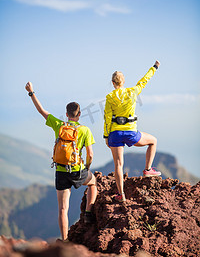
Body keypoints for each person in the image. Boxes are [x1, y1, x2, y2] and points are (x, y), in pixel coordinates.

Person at [25, 82, 97, 241]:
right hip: (77, 170)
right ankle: (88, 213)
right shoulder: (84, 130)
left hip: (61, 171)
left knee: (63, 209)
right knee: (94, 183)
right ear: (79, 115)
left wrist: (31, 92)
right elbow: (90, 154)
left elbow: (41, 110)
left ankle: (64, 241)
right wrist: (87, 167)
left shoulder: (59, 125)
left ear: (66, 114)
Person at [103, 61, 161, 203]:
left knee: (118, 164)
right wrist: (154, 68)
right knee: (153, 141)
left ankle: (121, 194)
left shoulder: (110, 97)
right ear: (123, 82)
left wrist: (106, 136)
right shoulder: (132, 92)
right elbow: (144, 80)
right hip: (130, 133)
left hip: (115, 134)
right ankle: (148, 169)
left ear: (112, 83)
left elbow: (107, 118)